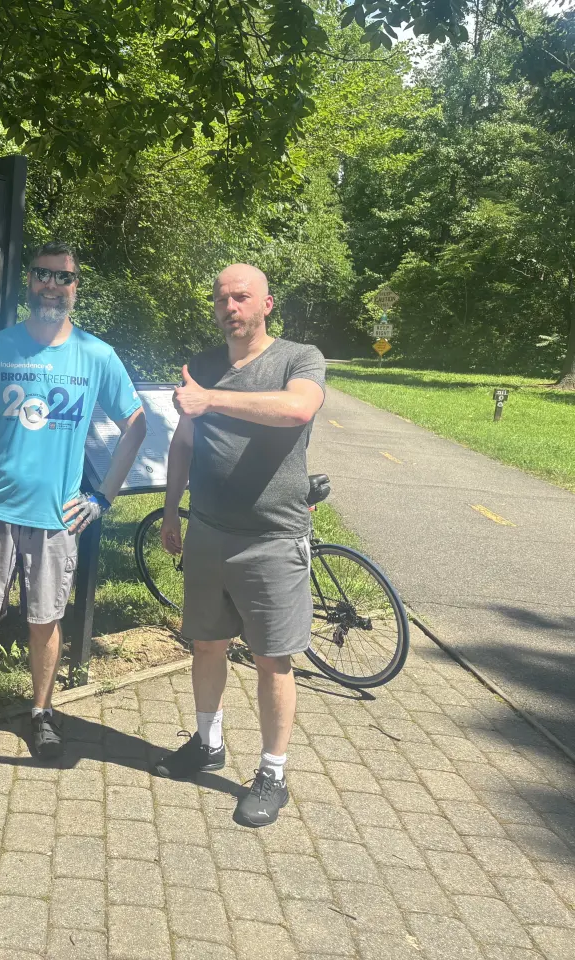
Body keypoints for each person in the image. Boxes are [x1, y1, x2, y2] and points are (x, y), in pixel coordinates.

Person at [0, 241, 148, 766]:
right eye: (44, 275)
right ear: (30, 283)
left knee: (45, 620)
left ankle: (42, 713)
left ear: (76, 287)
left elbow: (137, 425)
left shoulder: (96, 355)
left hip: (56, 515)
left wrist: (102, 497)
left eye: (63, 277)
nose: (53, 285)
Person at [153, 263, 326, 828]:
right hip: (205, 530)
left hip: (273, 540)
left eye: (242, 297)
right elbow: (183, 440)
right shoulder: (201, 366)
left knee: (272, 660)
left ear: (267, 304)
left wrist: (212, 401)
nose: (231, 306)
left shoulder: (299, 358)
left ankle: (272, 773)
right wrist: (172, 508)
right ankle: (208, 743)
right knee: (206, 644)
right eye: (221, 298)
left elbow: (298, 408)